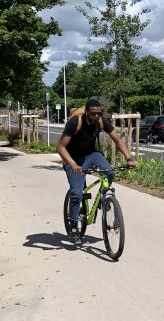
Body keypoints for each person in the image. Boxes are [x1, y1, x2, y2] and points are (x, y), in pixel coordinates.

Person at [57, 99, 136, 246]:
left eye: (99, 113)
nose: (96, 116)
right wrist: (73, 165)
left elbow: (118, 140)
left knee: (110, 172)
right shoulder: (75, 122)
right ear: (86, 112)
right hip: (73, 159)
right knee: (76, 194)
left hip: (91, 155)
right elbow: (60, 147)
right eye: (93, 113)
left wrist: (129, 158)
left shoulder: (101, 121)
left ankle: (103, 198)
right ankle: (73, 228)